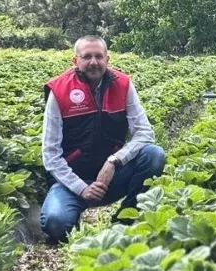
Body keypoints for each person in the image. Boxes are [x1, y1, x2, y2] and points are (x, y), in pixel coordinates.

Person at [40, 35, 165, 241]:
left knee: (153, 155)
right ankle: (71, 215)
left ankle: (124, 221)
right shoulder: (59, 90)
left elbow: (144, 132)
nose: (93, 62)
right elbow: (50, 154)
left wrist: (114, 161)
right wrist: (82, 188)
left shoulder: (123, 84)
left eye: (99, 56)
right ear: (75, 61)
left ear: (107, 59)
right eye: (86, 56)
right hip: (71, 181)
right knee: (56, 225)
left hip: (111, 178)